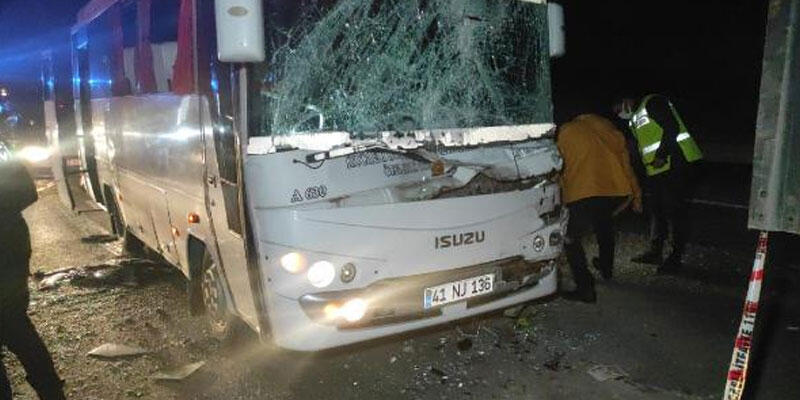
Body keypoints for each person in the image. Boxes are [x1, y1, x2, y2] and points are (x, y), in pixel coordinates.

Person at [0, 150, 66, 400]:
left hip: (6, 252)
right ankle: (52, 392)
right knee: (19, 329)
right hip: (12, 250)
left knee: (16, 327)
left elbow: (24, 190)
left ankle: (51, 391)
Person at [557, 114, 642, 303]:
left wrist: (560, 195)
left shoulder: (567, 131)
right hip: (612, 189)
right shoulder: (607, 127)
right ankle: (606, 268)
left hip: (582, 191)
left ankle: (585, 287)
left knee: (570, 238)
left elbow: (558, 166)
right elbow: (626, 163)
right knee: (604, 227)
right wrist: (636, 195)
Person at [614, 94, 703, 273]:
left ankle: (675, 257)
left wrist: (662, 154)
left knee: (675, 211)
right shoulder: (634, 120)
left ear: (627, 98)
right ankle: (655, 251)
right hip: (656, 170)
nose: (619, 113)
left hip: (677, 163)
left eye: (618, 108)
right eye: (616, 112)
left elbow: (672, 127)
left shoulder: (652, 103)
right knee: (656, 210)